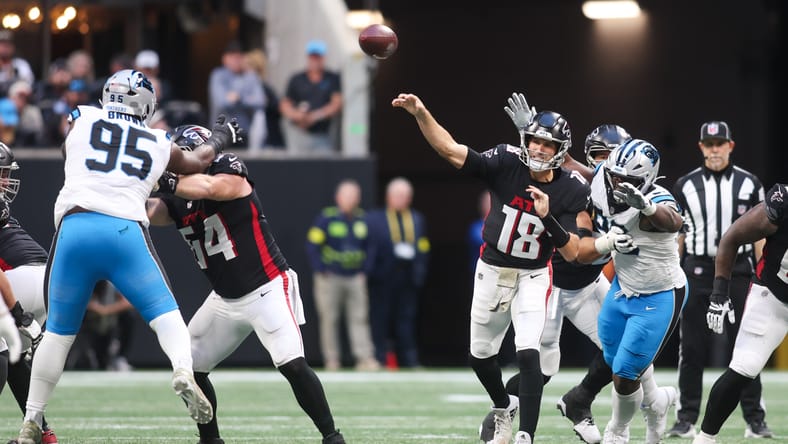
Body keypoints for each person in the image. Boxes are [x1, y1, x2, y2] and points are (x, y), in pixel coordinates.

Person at [13, 69, 242, 444]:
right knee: (167, 315)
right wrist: (222, 137)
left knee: (57, 333)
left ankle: (32, 419)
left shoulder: (82, 118)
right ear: (146, 104)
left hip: (75, 227)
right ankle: (182, 369)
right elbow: (197, 161)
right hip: (123, 231)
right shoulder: (157, 140)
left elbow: (69, 151)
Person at [393, 92, 589, 444]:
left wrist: (548, 218)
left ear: (561, 150)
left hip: (534, 273)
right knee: (480, 357)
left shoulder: (571, 188)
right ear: (525, 140)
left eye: (548, 144)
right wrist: (421, 112)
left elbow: (574, 252)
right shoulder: (505, 160)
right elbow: (451, 150)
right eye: (535, 140)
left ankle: (525, 435)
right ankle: (502, 408)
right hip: (493, 269)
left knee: (529, 352)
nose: (540, 149)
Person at [146, 124, 346, 444]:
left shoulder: (227, 168)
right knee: (189, 369)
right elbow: (147, 213)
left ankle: (332, 437)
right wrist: (129, 186)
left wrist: (168, 179)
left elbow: (214, 188)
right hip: (224, 299)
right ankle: (210, 440)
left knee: (291, 364)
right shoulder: (175, 196)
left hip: (266, 286)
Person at [480, 122, 637, 444]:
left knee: (626, 350)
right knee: (543, 365)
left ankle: (580, 399)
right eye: (599, 155)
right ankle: (504, 411)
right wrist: (607, 244)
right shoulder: (579, 186)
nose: (606, 162)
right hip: (552, 280)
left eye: (614, 155)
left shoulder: (632, 192)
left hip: (589, 284)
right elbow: (579, 251)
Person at [565, 137, 686, 444]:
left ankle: (618, 431)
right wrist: (532, 132)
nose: (617, 183)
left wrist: (645, 205)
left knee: (625, 372)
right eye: (614, 175)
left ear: (645, 180)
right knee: (610, 354)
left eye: (626, 179)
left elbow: (674, 221)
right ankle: (658, 403)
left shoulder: (658, 198)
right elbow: (579, 169)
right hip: (623, 287)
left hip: (659, 294)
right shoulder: (606, 178)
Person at [669, 121, 770, 438]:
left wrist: (763, 274)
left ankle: (754, 419)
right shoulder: (685, 185)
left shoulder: (749, 183)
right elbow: (678, 235)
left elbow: (762, 233)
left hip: (739, 270)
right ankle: (686, 418)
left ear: (730, 146)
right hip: (697, 270)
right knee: (692, 349)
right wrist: (673, 271)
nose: (714, 149)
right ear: (701, 147)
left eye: (719, 143)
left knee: (747, 345)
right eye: (708, 143)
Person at [691, 183, 788, 444]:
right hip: (774, 298)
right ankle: (705, 438)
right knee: (745, 367)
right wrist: (719, 293)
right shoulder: (783, 202)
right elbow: (732, 237)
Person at [0, 142, 58, 444]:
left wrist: (16, 309)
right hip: (46, 281)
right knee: (14, 358)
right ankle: (42, 434)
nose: (6, 181)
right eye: (2, 174)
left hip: (16, 280)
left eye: (5, 174)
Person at [306, 179, 379, 371]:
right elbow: (313, 245)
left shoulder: (363, 220)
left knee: (359, 317)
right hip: (330, 277)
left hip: (355, 277)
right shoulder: (326, 218)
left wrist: (365, 271)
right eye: (347, 196)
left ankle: (364, 358)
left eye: (354, 196)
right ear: (338, 198)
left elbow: (371, 247)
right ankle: (332, 359)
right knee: (329, 319)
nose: (350, 200)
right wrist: (321, 269)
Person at [365, 177, 430, 370]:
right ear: (388, 197)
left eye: (406, 196)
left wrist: (420, 271)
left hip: (408, 278)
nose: (403, 199)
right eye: (398, 195)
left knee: (406, 320)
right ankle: (379, 357)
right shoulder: (374, 218)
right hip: (383, 278)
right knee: (380, 319)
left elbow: (423, 247)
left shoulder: (417, 219)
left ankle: (409, 359)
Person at [280, 40, 342, 154]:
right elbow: (285, 104)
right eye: (312, 57)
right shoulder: (297, 79)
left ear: (323, 58)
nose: (315, 61)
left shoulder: (332, 78)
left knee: (323, 168)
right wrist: (296, 115)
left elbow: (336, 103)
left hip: (322, 134)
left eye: (318, 57)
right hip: (299, 133)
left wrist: (316, 116)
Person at [208, 41, 265, 149]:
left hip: (243, 133)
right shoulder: (218, 75)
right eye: (233, 57)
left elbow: (260, 101)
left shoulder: (250, 76)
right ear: (224, 59)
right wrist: (246, 99)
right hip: (221, 133)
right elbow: (222, 103)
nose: (236, 61)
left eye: (239, 57)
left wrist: (239, 98)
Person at [0, 30, 34, 98]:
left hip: (16, 103)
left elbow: (29, 86)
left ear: (13, 47)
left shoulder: (21, 65)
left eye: (8, 45)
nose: (5, 48)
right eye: (2, 45)